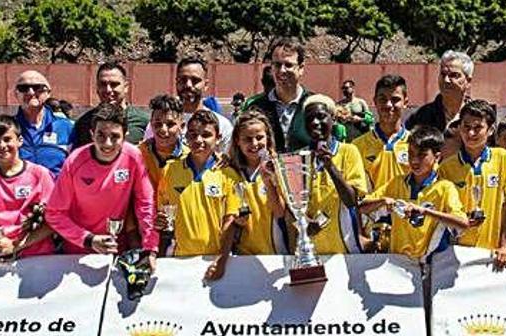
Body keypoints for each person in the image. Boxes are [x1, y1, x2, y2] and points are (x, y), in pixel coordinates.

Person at [46, 103, 157, 268]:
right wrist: (88, 239)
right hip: (78, 253)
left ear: (125, 135)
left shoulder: (133, 156)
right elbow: (54, 213)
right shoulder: (75, 162)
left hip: (117, 249)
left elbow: (145, 204)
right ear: (92, 134)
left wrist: (150, 248)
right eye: (101, 135)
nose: (107, 143)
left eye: (115, 136)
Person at [359, 126, 471, 260]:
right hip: (398, 263)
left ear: (437, 157)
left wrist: (426, 212)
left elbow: (463, 223)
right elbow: (361, 208)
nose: (414, 160)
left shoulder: (445, 188)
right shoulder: (396, 183)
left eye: (422, 155)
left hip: (431, 266)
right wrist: (382, 201)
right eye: (411, 153)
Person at [156, 110, 240, 280]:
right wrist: (159, 220)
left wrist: (221, 259)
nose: (198, 140)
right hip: (180, 258)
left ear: (218, 138)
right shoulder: (169, 170)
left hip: (215, 259)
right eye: (193, 135)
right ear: (186, 136)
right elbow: (162, 211)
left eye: (206, 135)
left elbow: (230, 220)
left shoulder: (228, 174)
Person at [438, 99, 506, 268]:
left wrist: (503, 245)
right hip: (458, 252)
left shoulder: (501, 158)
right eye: (466, 127)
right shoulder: (446, 168)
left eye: (478, 127)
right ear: (459, 128)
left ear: (491, 130)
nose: (471, 133)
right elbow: (443, 212)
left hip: (493, 252)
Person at [0, 115, 55, 260]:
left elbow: (54, 221)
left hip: (38, 260)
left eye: (7, 139)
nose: (2, 145)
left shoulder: (40, 175)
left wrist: (16, 245)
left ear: (20, 141)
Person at [295, 95, 368, 255]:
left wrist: (330, 166)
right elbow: (293, 206)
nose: (315, 123)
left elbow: (352, 200)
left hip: (346, 248)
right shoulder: (300, 158)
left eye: (321, 117)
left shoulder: (349, 151)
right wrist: (305, 221)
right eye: (309, 118)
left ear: (333, 118)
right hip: (311, 250)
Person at [0, 70, 73, 177]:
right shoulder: (6, 129)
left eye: (37, 87)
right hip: (15, 192)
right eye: (24, 88)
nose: (31, 92)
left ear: (48, 93)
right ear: (16, 94)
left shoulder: (67, 128)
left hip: (56, 192)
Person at [224, 111, 286, 257]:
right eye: (247, 139)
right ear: (237, 141)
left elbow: (280, 212)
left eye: (259, 138)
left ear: (268, 138)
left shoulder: (280, 169)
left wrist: (269, 182)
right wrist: (237, 221)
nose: (254, 144)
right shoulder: (229, 171)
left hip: (276, 253)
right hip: (242, 256)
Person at [246, 39, 314, 153]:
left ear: (301, 68)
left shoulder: (315, 105)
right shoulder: (256, 107)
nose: (282, 70)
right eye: (277, 65)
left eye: (288, 65)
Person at [71, 62, 149, 148]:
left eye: (114, 84)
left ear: (126, 87)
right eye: (103, 84)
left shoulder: (143, 121)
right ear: (97, 87)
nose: (108, 90)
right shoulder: (83, 122)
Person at [353, 74, 410, 191]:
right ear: (375, 102)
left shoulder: (416, 144)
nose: (389, 105)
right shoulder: (357, 146)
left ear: (405, 102)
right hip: (372, 208)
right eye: (383, 99)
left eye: (395, 100)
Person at [173, 57, 234, 152]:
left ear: (206, 85)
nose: (188, 85)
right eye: (183, 80)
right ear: (176, 82)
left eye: (195, 80)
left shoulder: (222, 125)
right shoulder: (163, 123)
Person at [405, 50, 473, 134]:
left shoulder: (479, 117)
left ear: (468, 81)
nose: (446, 80)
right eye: (443, 74)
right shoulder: (421, 116)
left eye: (454, 75)